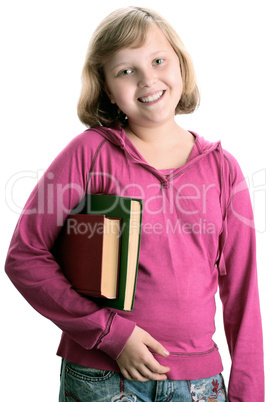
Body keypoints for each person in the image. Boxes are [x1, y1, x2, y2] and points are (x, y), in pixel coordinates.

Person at [5, 6, 264, 401]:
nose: (147, 79)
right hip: (101, 377)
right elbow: (25, 256)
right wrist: (109, 333)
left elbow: (242, 293)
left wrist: (249, 394)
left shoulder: (223, 169)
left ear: (180, 65)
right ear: (107, 88)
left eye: (159, 61)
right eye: (126, 71)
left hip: (198, 385)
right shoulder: (89, 153)